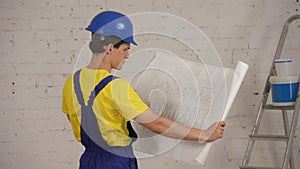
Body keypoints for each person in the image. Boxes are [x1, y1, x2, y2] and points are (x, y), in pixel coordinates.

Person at [62, 11, 226, 169]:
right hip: (116, 161)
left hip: (88, 161)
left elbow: (74, 119)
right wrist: (203, 134)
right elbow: (156, 123)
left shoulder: (71, 82)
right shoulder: (116, 87)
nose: (127, 56)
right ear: (109, 48)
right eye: (125, 49)